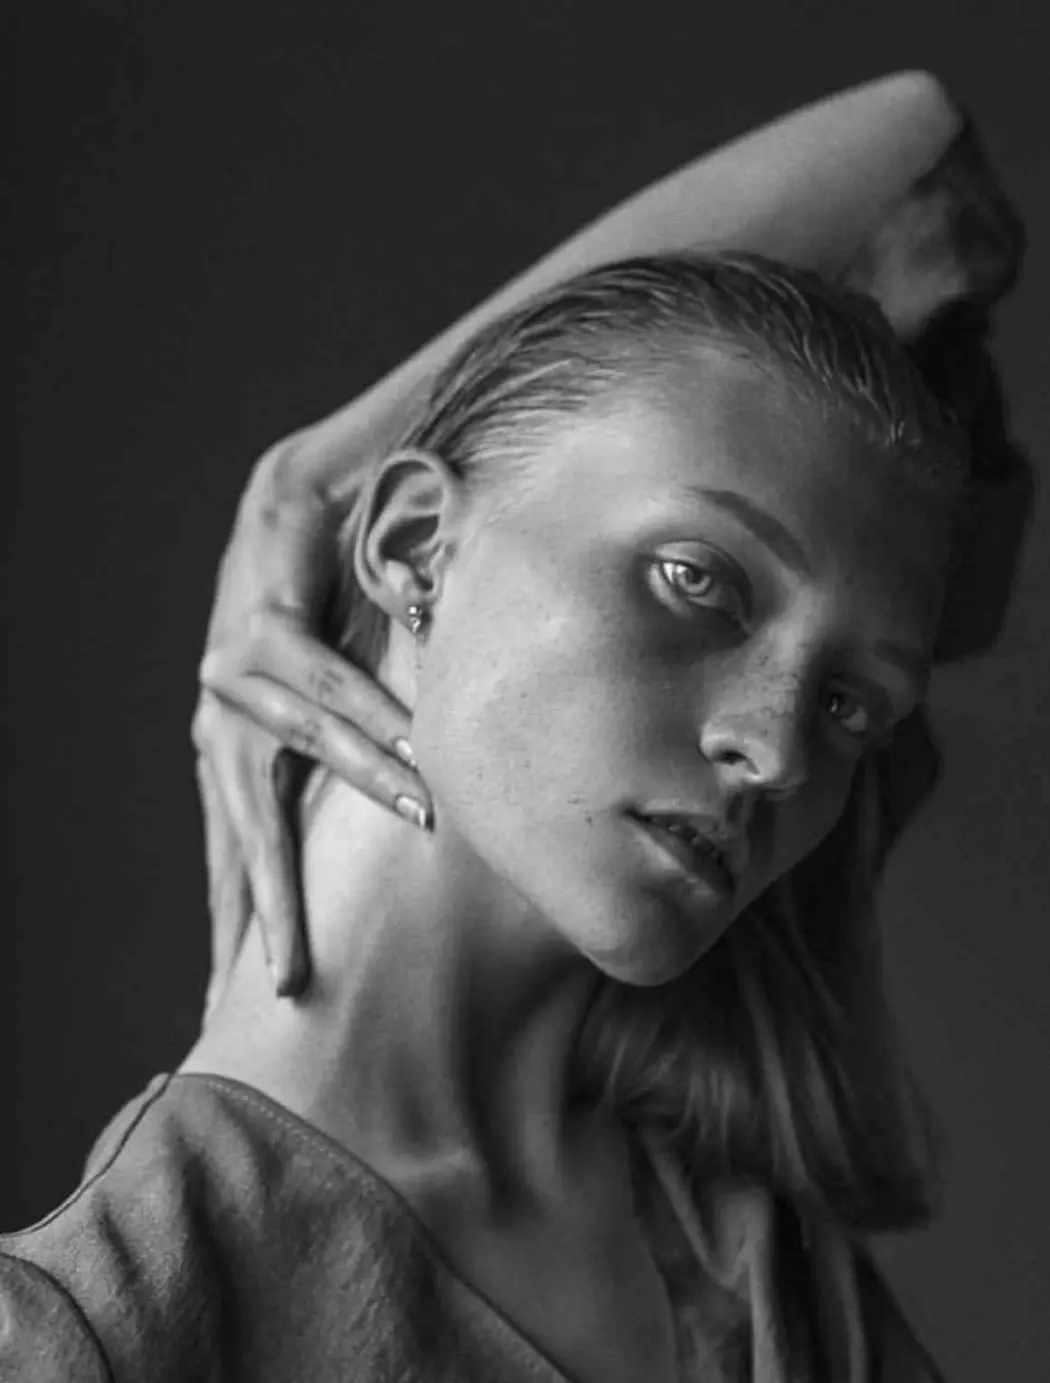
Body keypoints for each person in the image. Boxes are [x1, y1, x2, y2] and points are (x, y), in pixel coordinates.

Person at [1, 76, 1024, 1383]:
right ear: (414, 543)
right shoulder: (97, 1327)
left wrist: (316, 477)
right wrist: (316, 480)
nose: (776, 753)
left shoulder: (752, 1257)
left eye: (847, 706)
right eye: (696, 579)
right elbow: (913, 140)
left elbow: (933, 173)